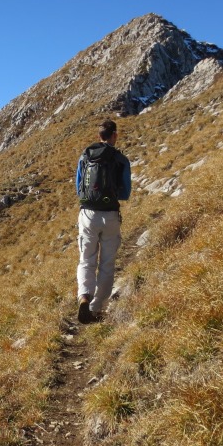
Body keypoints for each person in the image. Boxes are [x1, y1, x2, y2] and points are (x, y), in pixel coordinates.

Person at [76, 119, 131, 323]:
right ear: (114, 135)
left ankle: (84, 296)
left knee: (86, 259)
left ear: (99, 135)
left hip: (88, 214)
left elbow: (79, 187)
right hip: (110, 216)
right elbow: (125, 192)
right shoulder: (120, 159)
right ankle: (96, 308)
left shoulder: (85, 155)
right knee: (107, 264)